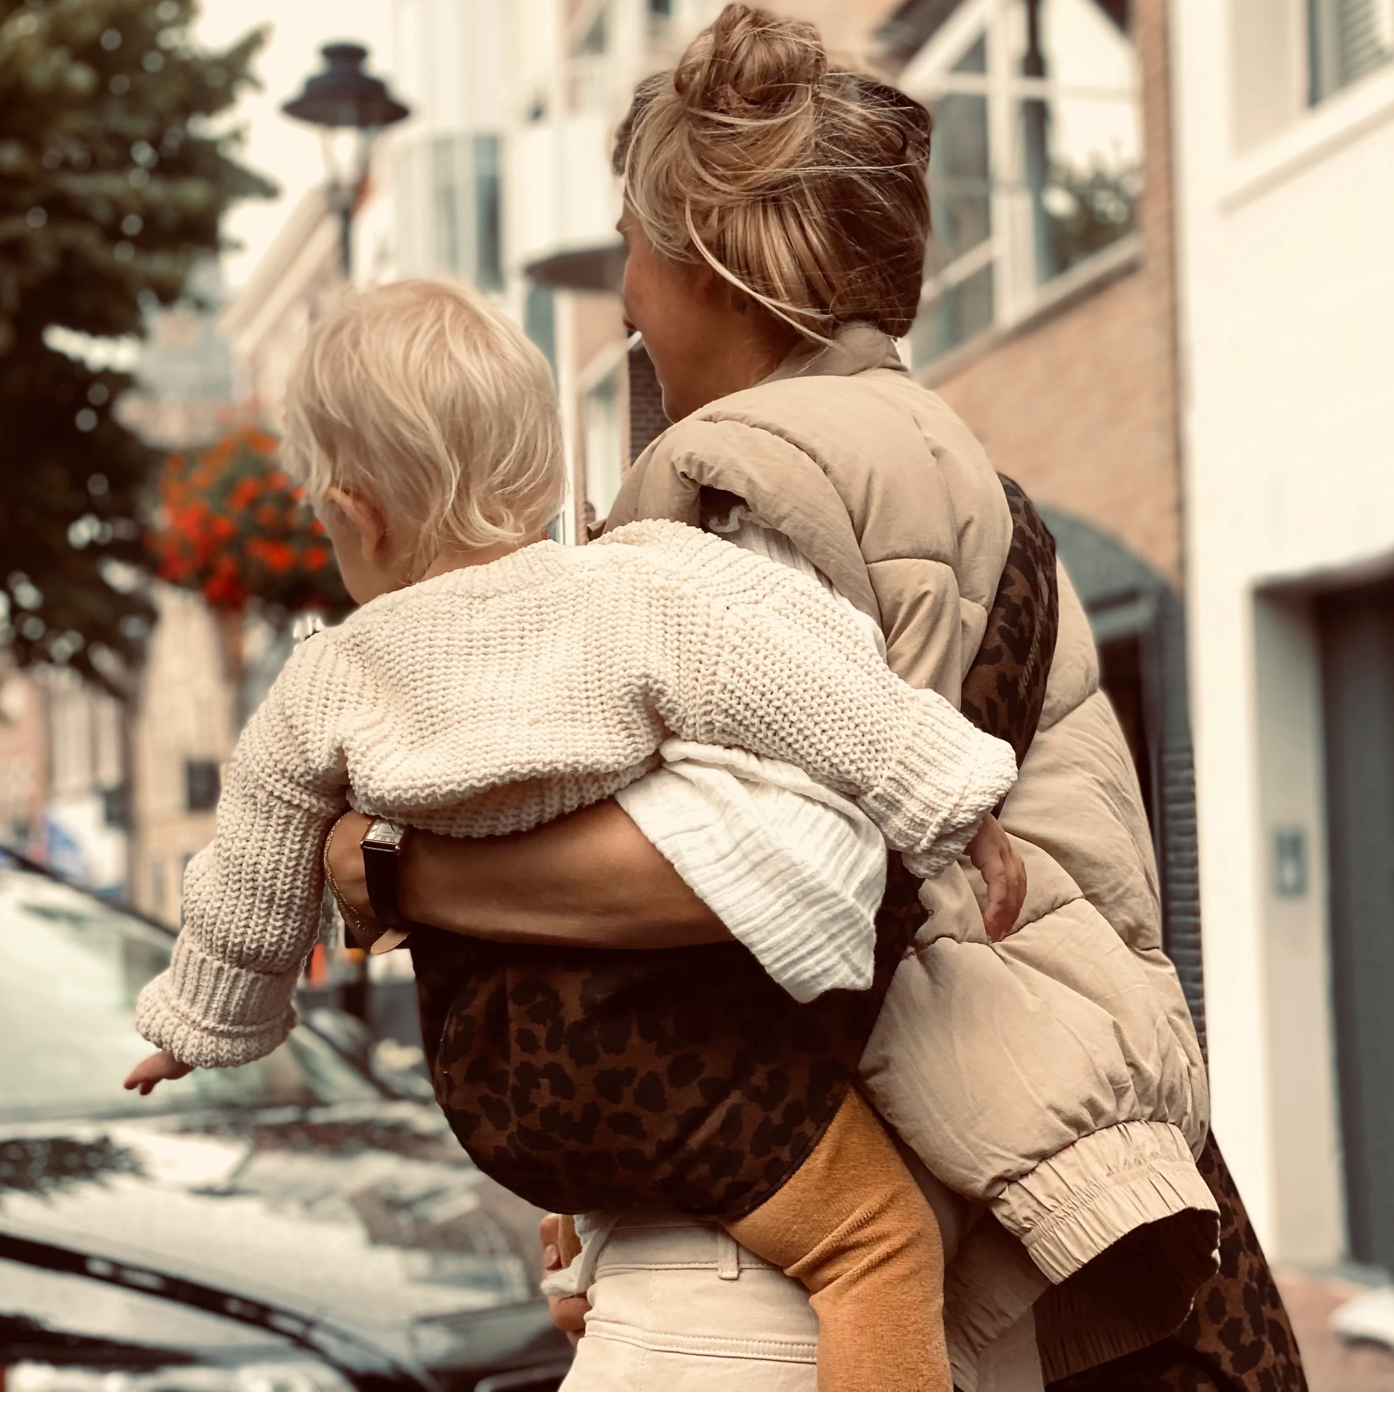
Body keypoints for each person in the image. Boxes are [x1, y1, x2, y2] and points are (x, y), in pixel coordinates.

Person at [326, 5, 1307, 1390]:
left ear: (708, 262)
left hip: (797, 1256)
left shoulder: (756, 474)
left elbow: (755, 863)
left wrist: (392, 865)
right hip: (927, 1192)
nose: (623, 294)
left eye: (631, 242)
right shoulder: (938, 466)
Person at [120, 275, 1046, 1391]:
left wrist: (200, 1023)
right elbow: (815, 699)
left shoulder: (327, 678)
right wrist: (956, 804)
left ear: (357, 515)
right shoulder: (631, 597)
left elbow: (251, 870)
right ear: (544, 467)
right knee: (876, 1244)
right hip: (675, 1064)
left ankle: (589, 1259)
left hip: (499, 1088)